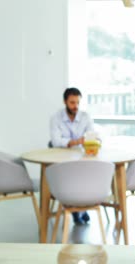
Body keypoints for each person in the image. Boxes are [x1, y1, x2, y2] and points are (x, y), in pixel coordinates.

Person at [50, 87, 94, 224]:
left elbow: (91, 136)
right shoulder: (56, 118)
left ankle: (79, 209)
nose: (75, 106)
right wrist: (76, 141)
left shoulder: (85, 117)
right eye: (72, 103)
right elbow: (55, 141)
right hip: (61, 159)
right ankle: (79, 210)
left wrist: (88, 141)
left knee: (86, 176)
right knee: (70, 177)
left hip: (82, 158)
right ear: (65, 102)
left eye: (77, 103)